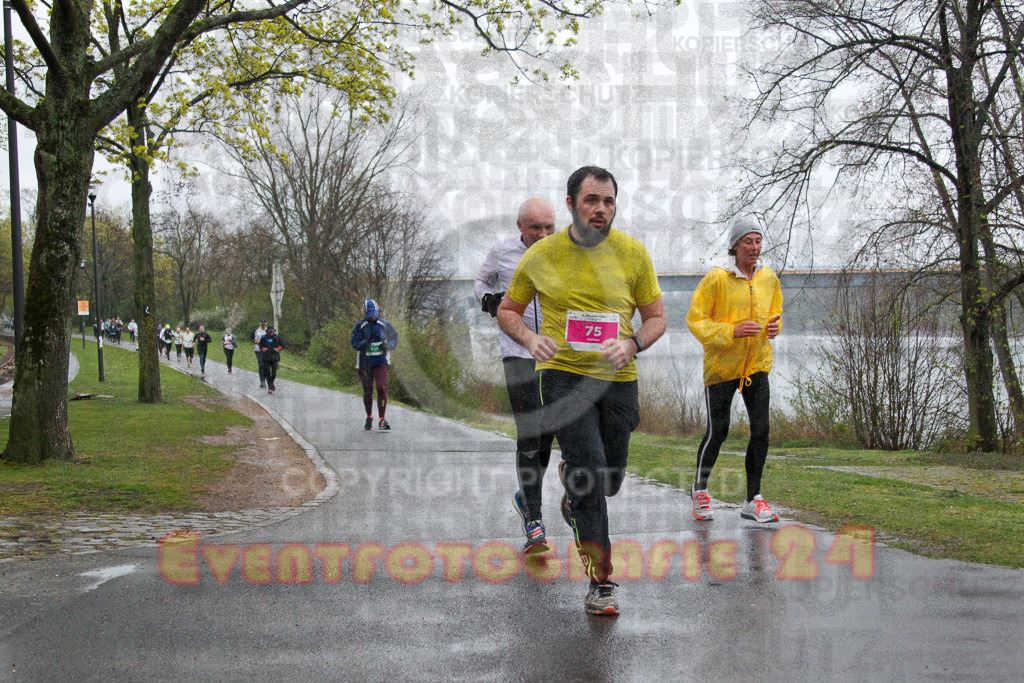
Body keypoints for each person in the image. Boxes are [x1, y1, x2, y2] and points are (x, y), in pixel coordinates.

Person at [498, 166, 666, 616]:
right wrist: (531, 340)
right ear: (571, 204)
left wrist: (632, 343)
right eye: (592, 200)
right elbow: (508, 310)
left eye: (609, 201)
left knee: (608, 479)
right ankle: (601, 581)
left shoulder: (633, 254)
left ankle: (573, 495)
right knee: (590, 474)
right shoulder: (542, 255)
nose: (601, 209)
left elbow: (656, 318)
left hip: (617, 380)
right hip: (563, 376)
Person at [686, 217, 783, 525]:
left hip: (757, 364)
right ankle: (700, 489)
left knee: (761, 431)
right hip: (722, 367)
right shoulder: (717, 279)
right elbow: (696, 321)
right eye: (747, 242)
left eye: (757, 241)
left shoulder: (768, 278)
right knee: (719, 431)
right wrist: (731, 331)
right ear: (735, 246)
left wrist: (775, 325)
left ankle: (752, 498)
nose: (754, 248)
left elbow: (775, 309)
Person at [474, 198, 557, 553]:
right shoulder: (502, 252)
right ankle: (534, 519)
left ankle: (526, 496)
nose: (542, 234)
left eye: (548, 227)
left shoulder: (564, 251)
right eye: (535, 227)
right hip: (518, 350)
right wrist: (489, 300)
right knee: (529, 432)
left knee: (548, 432)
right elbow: (481, 279)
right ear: (520, 226)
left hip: (555, 352)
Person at [350, 299, 399, 431]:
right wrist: (366, 341)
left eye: (374, 313)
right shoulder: (360, 326)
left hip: (381, 361)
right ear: (365, 312)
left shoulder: (384, 324)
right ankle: (369, 416)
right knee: (368, 391)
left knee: (381, 388)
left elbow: (394, 338)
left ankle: (382, 419)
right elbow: (354, 343)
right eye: (370, 313)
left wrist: (387, 345)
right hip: (365, 363)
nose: (373, 316)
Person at [258, 326, 283, 394]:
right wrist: (263, 349)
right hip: (266, 357)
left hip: (274, 357)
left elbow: (282, 345)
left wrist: (278, 349)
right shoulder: (263, 338)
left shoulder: (277, 338)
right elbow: (260, 346)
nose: (271, 333)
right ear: (267, 332)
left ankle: (271, 383)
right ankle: (270, 387)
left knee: (274, 372)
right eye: (269, 332)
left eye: (272, 331)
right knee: (267, 372)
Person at [252, 318, 269, 388]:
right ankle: (262, 381)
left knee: (266, 366)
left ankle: (267, 380)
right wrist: (255, 341)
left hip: (267, 351)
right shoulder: (256, 331)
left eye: (264, 324)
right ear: (260, 324)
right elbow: (251, 338)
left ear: (266, 323)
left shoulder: (269, 330)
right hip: (258, 350)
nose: (263, 325)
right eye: (262, 324)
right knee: (261, 365)